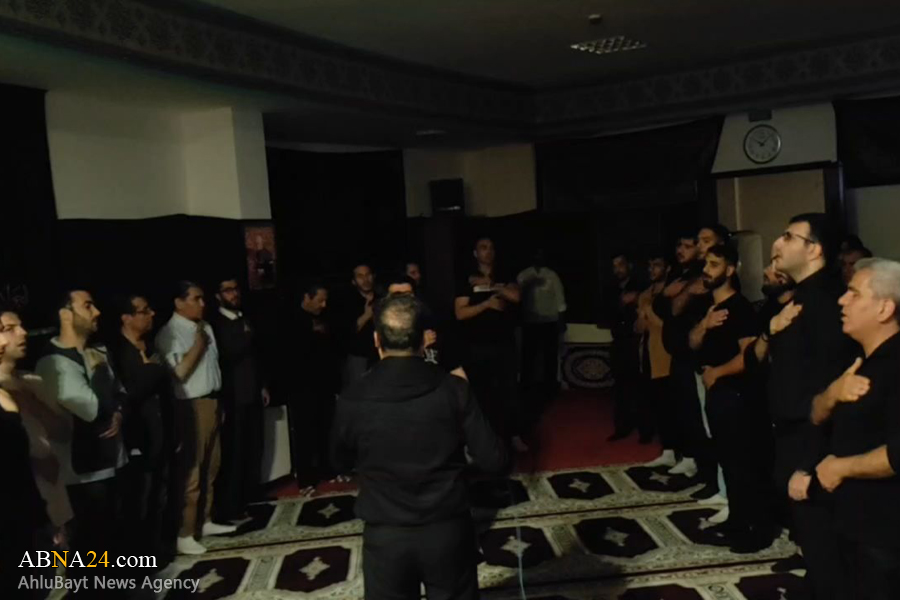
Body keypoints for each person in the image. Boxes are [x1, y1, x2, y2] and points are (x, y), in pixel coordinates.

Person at [331, 294, 508, 600]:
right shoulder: (454, 389)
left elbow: (339, 463)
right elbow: (495, 460)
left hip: (385, 532)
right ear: (424, 341)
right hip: (447, 529)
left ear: (377, 340)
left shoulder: (352, 397)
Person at [765, 213, 856, 599]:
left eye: (789, 236)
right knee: (814, 542)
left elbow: (827, 388)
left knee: (824, 544)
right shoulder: (803, 297)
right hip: (795, 432)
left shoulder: (824, 301)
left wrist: (808, 461)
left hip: (811, 439)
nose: (778, 243)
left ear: (814, 250)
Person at [812, 258, 900, 599]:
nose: (842, 300)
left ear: (884, 309)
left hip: (884, 532)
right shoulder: (859, 360)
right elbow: (816, 416)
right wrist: (832, 394)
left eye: (854, 293)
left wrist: (840, 468)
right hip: (852, 521)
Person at [35, 289, 128, 585]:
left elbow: (121, 393)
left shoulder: (97, 350)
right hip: (82, 476)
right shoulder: (54, 362)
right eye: (87, 306)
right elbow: (92, 409)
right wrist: (100, 371)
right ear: (66, 314)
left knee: (111, 548)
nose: (96, 312)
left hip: (111, 463)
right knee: (90, 556)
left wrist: (118, 412)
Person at [690, 244, 776, 552]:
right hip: (716, 393)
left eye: (714, 264)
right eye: (706, 264)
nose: (706, 270)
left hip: (737, 396)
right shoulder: (708, 308)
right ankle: (737, 521)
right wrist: (704, 325)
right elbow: (692, 343)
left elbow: (748, 357)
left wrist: (718, 372)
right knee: (727, 460)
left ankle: (758, 529)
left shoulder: (740, 309)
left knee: (744, 464)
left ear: (730, 270)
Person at [156, 281, 235, 555]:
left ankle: (205, 520)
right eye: (196, 299)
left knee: (212, 465)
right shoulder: (170, 333)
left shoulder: (205, 327)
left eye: (203, 298)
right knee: (192, 471)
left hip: (212, 400)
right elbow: (179, 374)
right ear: (179, 302)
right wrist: (199, 345)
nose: (203, 304)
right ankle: (185, 532)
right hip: (191, 405)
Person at [0, 309, 73, 553]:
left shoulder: (32, 381)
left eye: (20, 326)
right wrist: (31, 462)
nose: (22, 333)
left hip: (54, 498)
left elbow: (62, 432)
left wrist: (28, 400)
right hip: (18, 508)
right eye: (8, 329)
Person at [108, 294, 174, 560]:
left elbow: (164, 389)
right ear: (126, 318)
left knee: (160, 495)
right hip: (138, 438)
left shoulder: (150, 346)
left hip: (161, 433)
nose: (151, 314)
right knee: (139, 499)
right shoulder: (118, 352)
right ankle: (138, 557)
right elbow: (127, 394)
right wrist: (151, 371)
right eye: (144, 311)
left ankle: (157, 548)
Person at [454, 236, 524, 451]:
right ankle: (480, 439)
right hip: (476, 345)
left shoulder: (504, 275)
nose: (488, 251)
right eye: (483, 248)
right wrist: (486, 304)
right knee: (479, 392)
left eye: (491, 247)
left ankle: (513, 435)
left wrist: (491, 285)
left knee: (509, 390)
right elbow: (460, 313)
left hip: (503, 343)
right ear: (475, 253)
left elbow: (516, 296)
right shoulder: (466, 279)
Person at [210, 278, 269, 523]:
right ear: (218, 295)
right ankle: (232, 505)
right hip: (234, 396)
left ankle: (251, 496)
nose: (234, 294)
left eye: (235, 289)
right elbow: (229, 353)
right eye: (228, 290)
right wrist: (246, 335)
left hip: (252, 391)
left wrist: (262, 385)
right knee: (235, 451)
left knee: (254, 446)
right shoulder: (217, 324)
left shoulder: (243, 318)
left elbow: (256, 355)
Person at [285, 280, 342, 494]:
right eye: (320, 300)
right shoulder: (291, 320)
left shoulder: (326, 318)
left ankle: (328, 470)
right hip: (302, 386)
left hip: (324, 384)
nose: (323, 305)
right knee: (305, 433)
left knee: (326, 429)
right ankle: (306, 478)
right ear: (306, 298)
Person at [386, 273, 467, 380]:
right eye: (397, 296)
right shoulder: (382, 331)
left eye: (407, 295)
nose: (403, 301)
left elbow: (455, 368)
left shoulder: (434, 325)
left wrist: (463, 388)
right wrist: (420, 346)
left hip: (433, 384)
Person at [517, 248, 567, 418]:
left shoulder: (551, 275)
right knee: (528, 357)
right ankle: (527, 388)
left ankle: (550, 388)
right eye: (535, 254)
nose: (538, 257)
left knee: (549, 357)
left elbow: (560, 301)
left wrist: (561, 322)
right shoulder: (524, 275)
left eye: (540, 254)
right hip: (529, 322)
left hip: (548, 322)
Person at [635, 251, 673, 452]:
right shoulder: (644, 294)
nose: (652, 270)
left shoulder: (671, 294)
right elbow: (639, 328)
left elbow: (668, 327)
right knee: (651, 399)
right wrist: (641, 318)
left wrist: (649, 311)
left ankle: (673, 447)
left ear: (667, 268)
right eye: (649, 266)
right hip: (646, 352)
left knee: (669, 403)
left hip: (665, 355)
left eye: (656, 265)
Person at [606, 252, 644, 441]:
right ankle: (622, 426)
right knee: (620, 386)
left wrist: (636, 300)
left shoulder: (640, 286)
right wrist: (620, 303)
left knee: (639, 385)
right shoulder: (611, 290)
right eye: (614, 266)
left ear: (629, 265)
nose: (617, 270)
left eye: (620, 265)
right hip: (619, 342)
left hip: (636, 341)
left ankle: (644, 427)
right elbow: (605, 314)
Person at [341, 263, 378, 385]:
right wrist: (366, 315)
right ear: (353, 281)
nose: (365, 279)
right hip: (359, 358)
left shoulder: (382, 298)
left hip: (381, 355)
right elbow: (346, 332)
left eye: (368, 275)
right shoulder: (347, 302)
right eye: (360, 276)